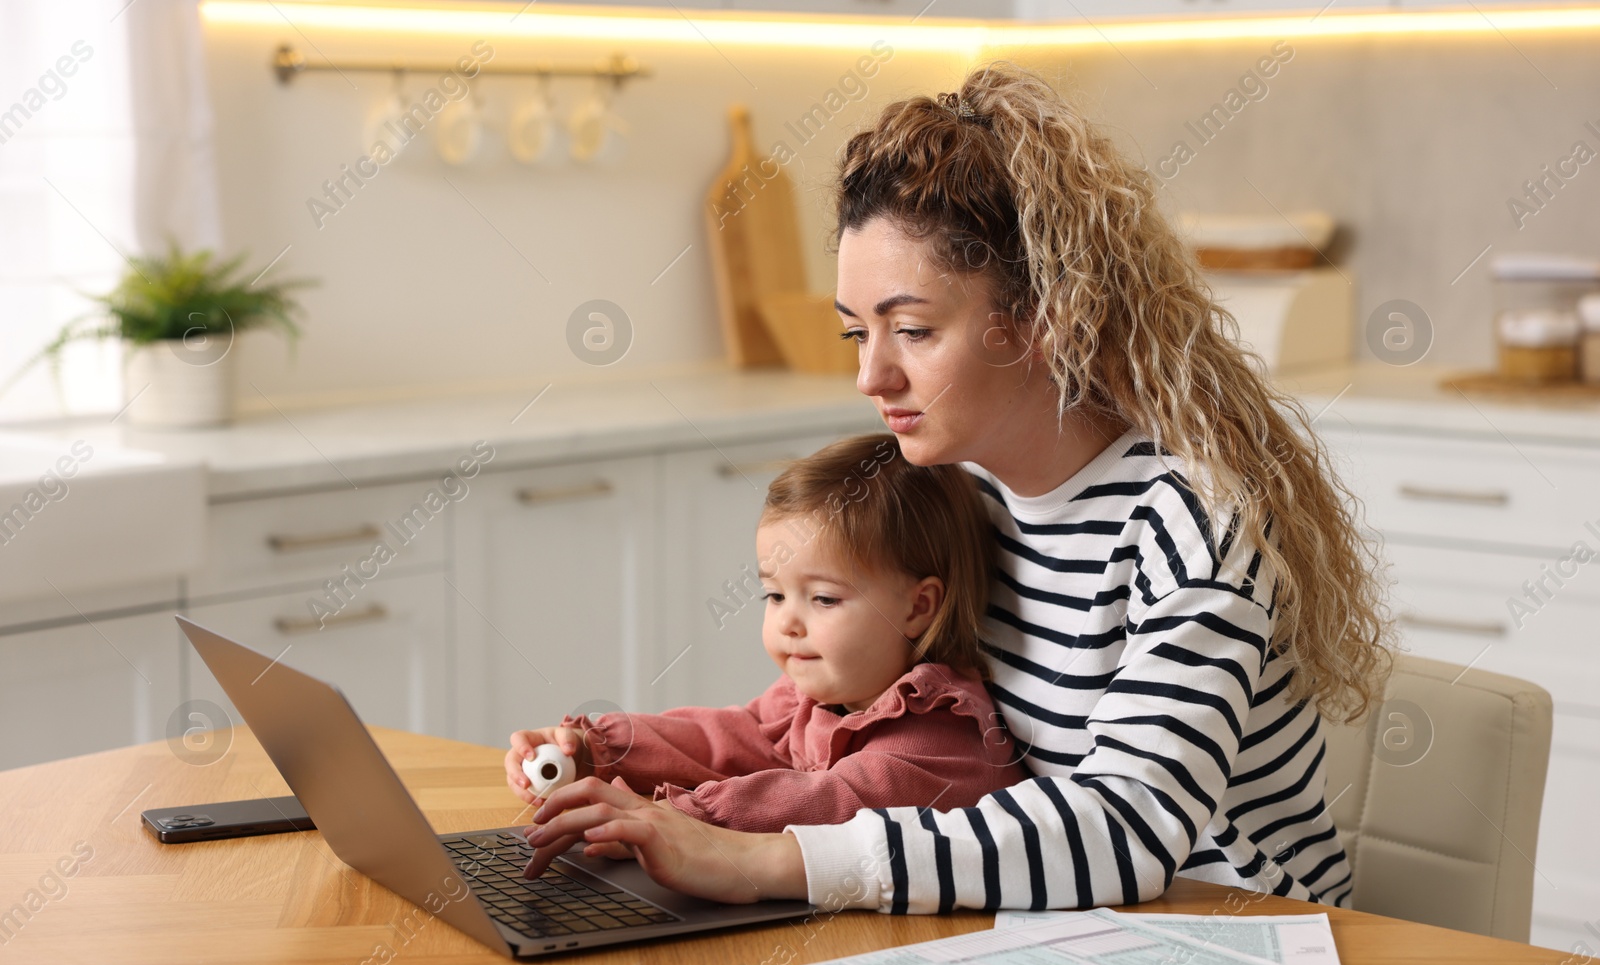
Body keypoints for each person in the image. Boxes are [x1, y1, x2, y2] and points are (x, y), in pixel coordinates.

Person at [520, 62, 1392, 914]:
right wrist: (620, 758)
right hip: (1049, 924)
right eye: (855, 333)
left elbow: (1128, 828)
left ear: (1047, 319)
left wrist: (765, 859)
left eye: (912, 329)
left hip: (1236, 936)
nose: (872, 375)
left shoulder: (1191, 518)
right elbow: (825, 715)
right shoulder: (954, 490)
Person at [504, 433, 1027, 838]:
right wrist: (595, 750)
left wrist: (674, 818)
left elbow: (829, 802)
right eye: (774, 596)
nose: (788, 623)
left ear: (918, 607)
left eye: (823, 598)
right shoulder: (824, 693)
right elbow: (735, 737)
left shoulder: (939, 734)